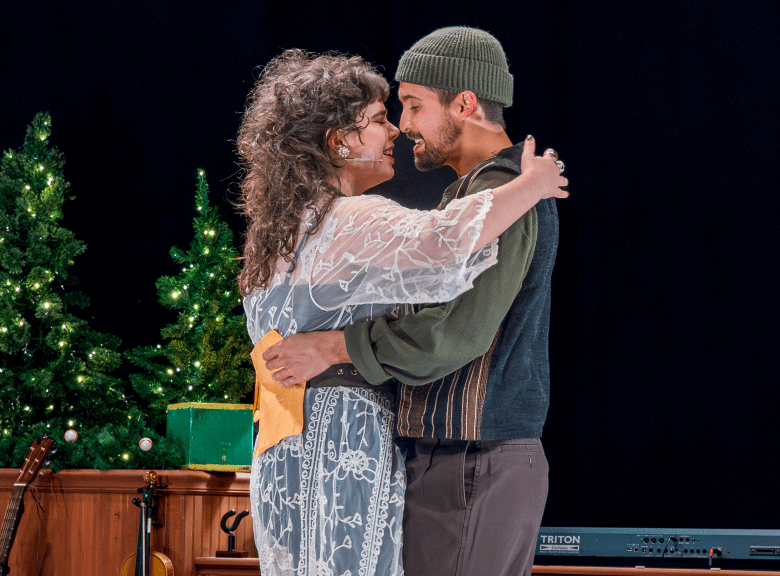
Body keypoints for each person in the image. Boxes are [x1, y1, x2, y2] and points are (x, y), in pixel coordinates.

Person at [237, 48, 567, 576]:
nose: (398, 128)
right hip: (342, 442)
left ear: (464, 102)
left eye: (409, 107)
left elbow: (459, 326)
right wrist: (532, 183)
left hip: (288, 451)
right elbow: (445, 242)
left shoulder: (280, 230)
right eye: (381, 117)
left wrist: (337, 344)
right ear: (338, 140)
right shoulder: (350, 219)